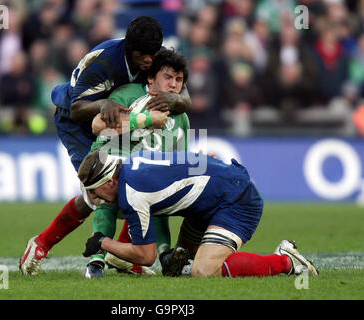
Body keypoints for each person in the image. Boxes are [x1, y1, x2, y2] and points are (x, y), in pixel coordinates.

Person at [19, 17, 192, 275]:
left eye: (152, 55)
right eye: (142, 55)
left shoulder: (156, 56)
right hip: (77, 121)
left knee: (138, 181)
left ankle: (121, 253)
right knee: (99, 192)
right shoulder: (101, 61)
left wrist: (173, 97)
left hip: (125, 119)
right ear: (128, 47)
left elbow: (185, 99)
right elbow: (77, 109)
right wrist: (102, 105)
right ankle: (42, 243)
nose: (148, 61)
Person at [80, 149, 319, 278]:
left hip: (235, 200)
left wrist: (104, 242)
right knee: (179, 268)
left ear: (111, 180)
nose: (94, 198)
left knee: (202, 271)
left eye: (94, 191)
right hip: (209, 199)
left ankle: (286, 261)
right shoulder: (134, 161)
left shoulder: (131, 192)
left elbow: (146, 256)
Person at [84, 48, 190, 278]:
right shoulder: (128, 95)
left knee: (166, 187)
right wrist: (145, 120)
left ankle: (166, 257)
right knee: (112, 185)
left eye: (179, 79)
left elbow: (179, 160)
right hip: (106, 172)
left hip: (145, 185)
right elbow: (98, 126)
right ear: (151, 78)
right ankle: (95, 262)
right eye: (168, 77)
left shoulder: (181, 118)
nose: (173, 85)